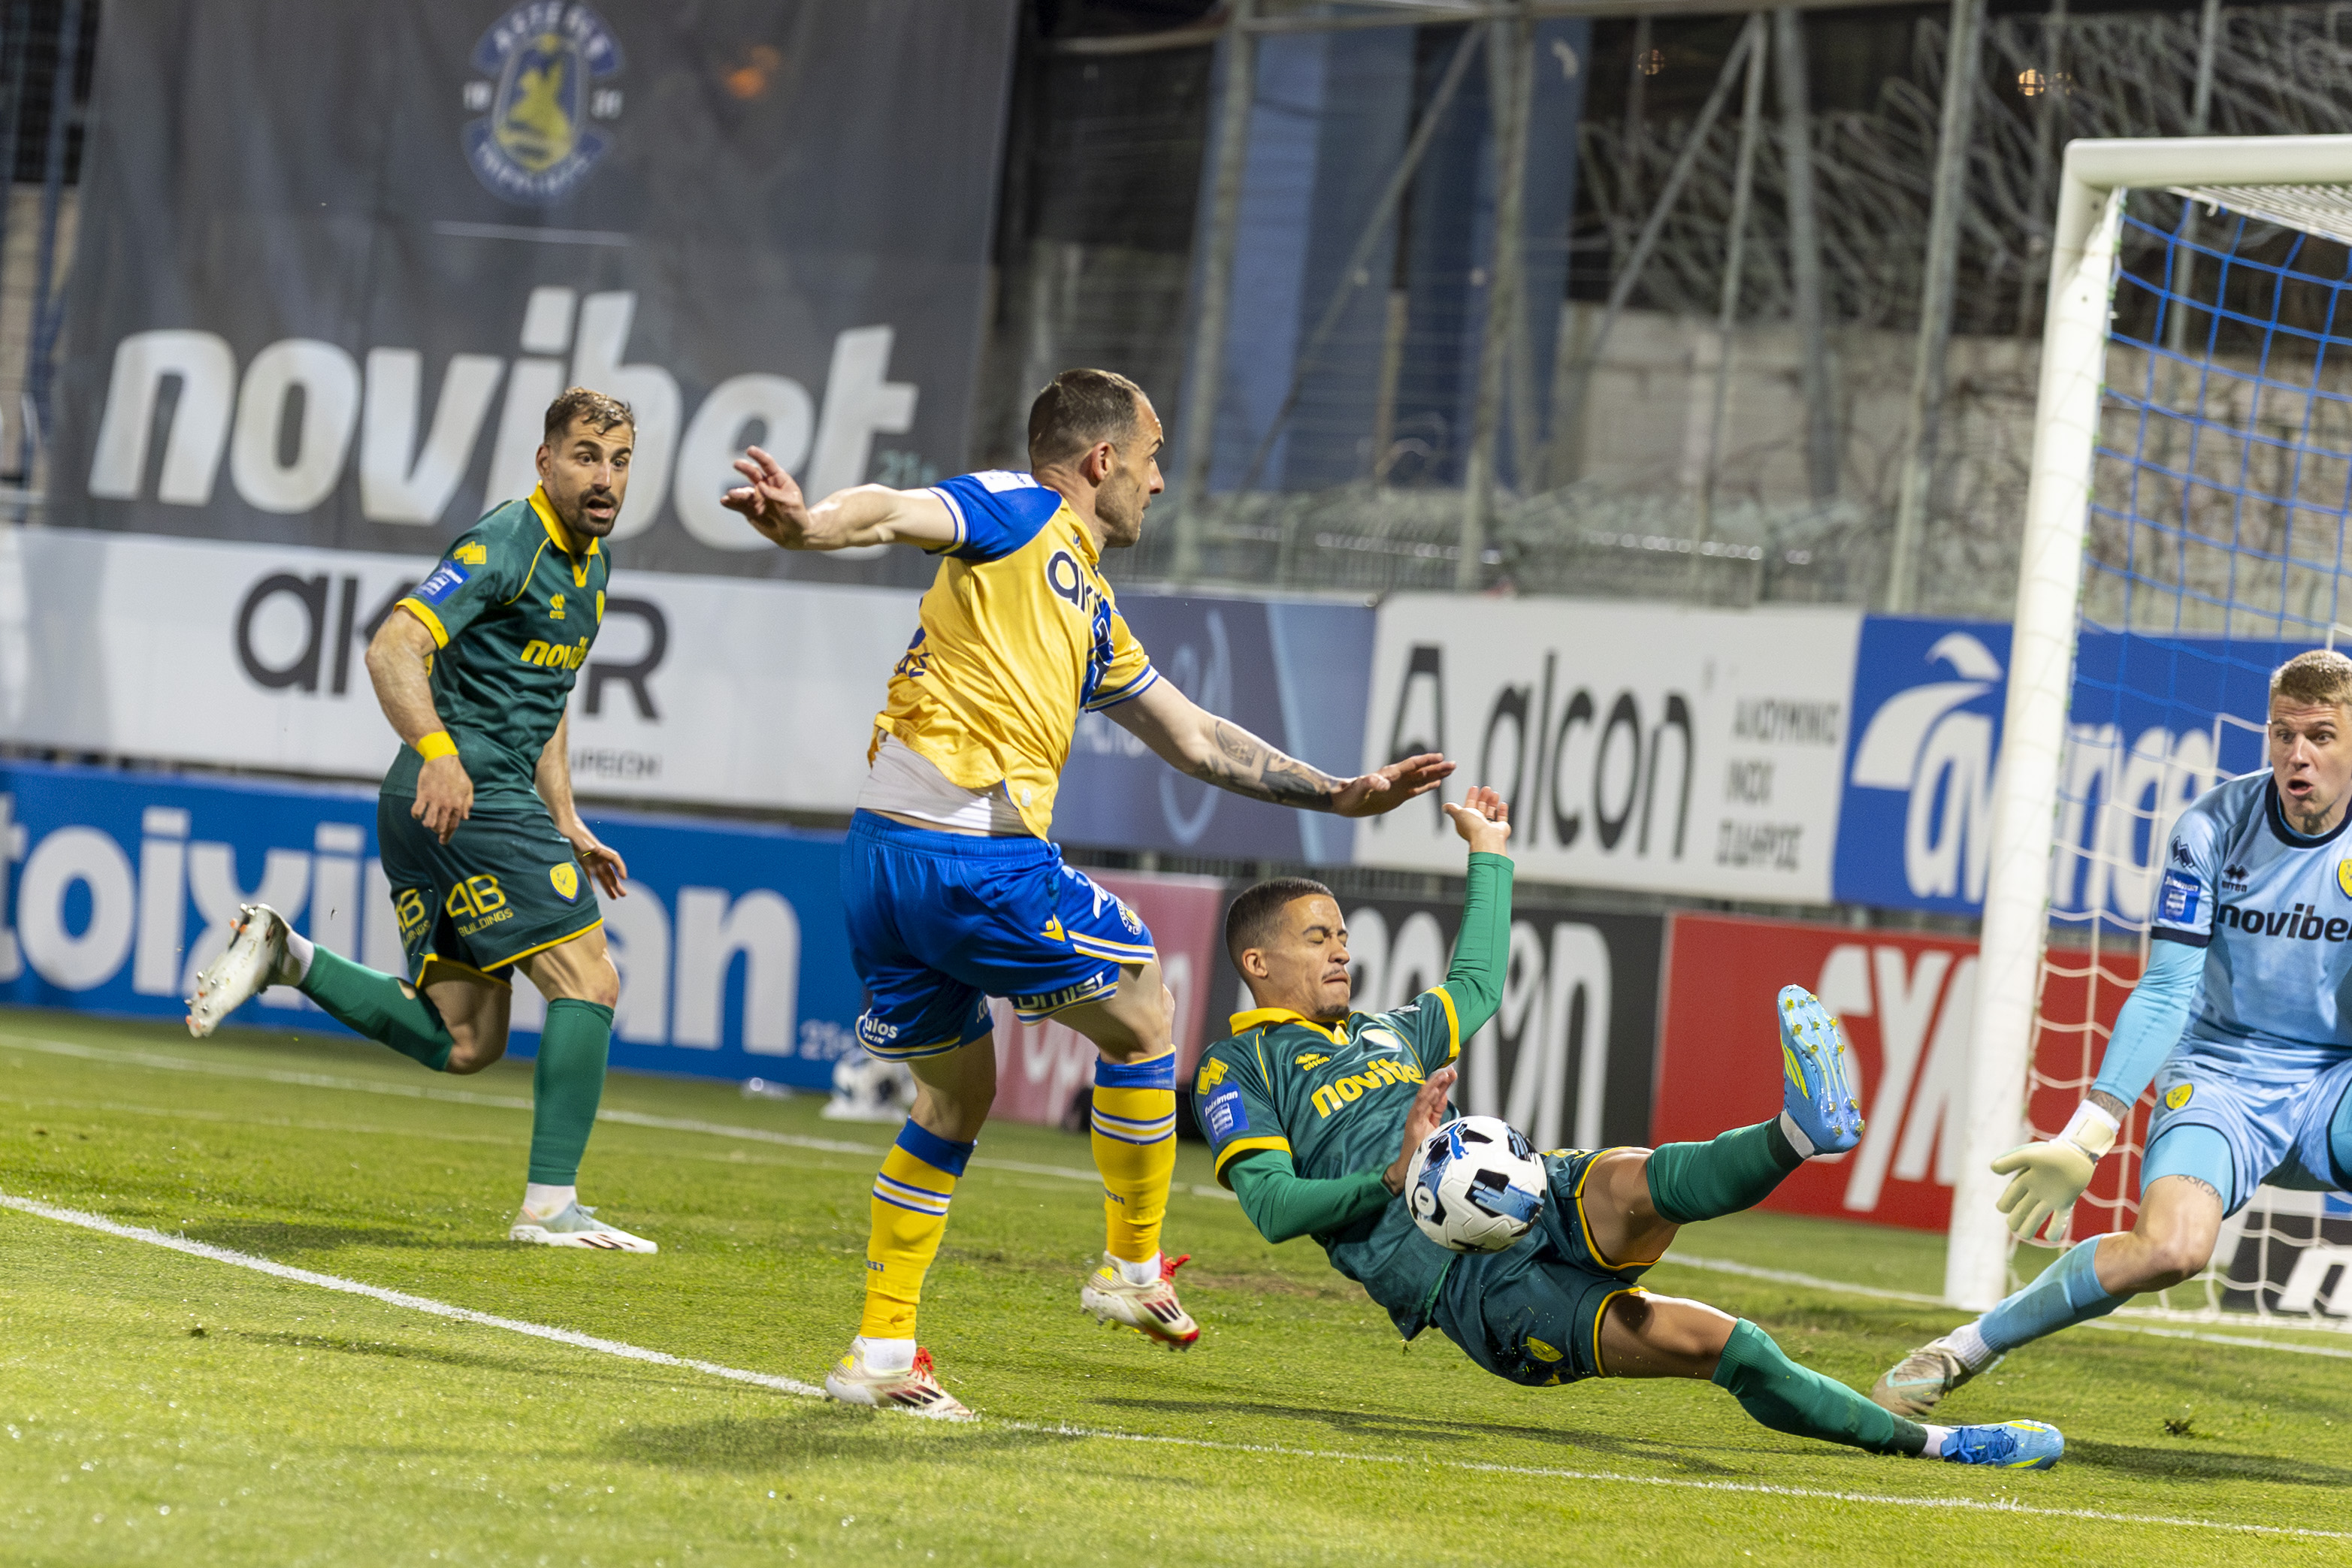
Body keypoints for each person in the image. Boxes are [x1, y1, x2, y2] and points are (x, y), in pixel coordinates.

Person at [721, 367, 1453, 1416]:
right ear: (1101, 459)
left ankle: (880, 1349)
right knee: (1147, 1011)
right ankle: (1130, 1264)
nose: (1158, 484)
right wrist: (806, 526)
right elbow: (890, 510)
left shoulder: (1089, 605)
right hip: (973, 852)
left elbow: (1196, 736)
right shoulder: (1017, 509)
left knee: (953, 1099)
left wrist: (1335, 792)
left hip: (881, 857)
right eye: (1150, 461)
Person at [1197, 784, 2068, 1470]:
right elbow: (1271, 1206)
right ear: (1257, 960)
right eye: (1318, 937)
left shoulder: (1387, 1031)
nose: (1342, 949)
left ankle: (1798, 1133)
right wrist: (1392, 1175)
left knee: (1642, 1177)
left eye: (1342, 934)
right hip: (1469, 1285)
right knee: (1724, 1343)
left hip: (1525, 1188)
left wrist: (1489, 852)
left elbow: (1477, 985)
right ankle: (1940, 1444)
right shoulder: (1237, 1067)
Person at [186, 388, 645, 1253]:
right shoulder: (507, 540)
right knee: (590, 980)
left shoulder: (593, 566)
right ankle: (551, 1206)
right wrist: (438, 750)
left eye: (619, 461)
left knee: (466, 1039)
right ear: (545, 460)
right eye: (586, 456)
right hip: (466, 791)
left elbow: (547, 696)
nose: (604, 478)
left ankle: (289, 954)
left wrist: (569, 818)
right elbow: (392, 645)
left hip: (436, 804)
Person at [1875, 649, 2352, 1415]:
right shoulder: (2211, 828)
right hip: (2223, 1076)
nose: (2298, 755)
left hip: (2335, 1083)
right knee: (2171, 1248)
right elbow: (2165, 989)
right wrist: (2087, 1135)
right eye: (2282, 733)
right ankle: (1962, 1348)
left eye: (2321, 736)